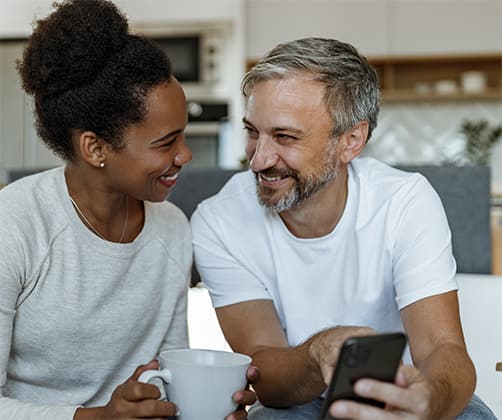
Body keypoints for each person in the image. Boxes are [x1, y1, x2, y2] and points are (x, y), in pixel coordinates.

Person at [191, 37, 496, 419]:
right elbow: (265, 372)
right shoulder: (217, 221)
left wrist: (427, 402)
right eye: (253, 132)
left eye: (285, 137)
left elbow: (442, 349)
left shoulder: (405, 200)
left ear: (351, 141)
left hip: (399, 386)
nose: (258, 160)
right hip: (297, 400)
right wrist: (318, 351)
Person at [0, 1, 256, 419]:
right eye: (165, 143)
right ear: (95, 147)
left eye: (183, 137)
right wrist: (98, 417)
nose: (185, 155)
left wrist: (204, 405)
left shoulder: (171, 228)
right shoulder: (14, 224)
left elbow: (169, 373)